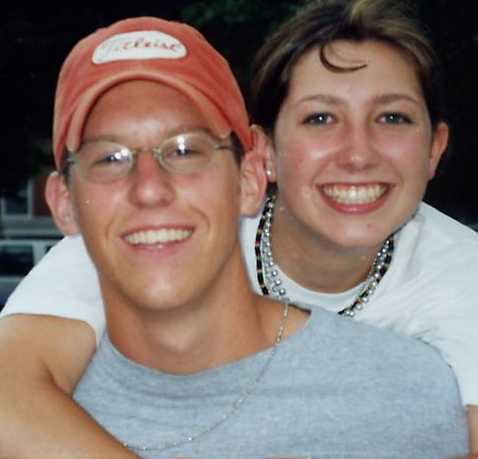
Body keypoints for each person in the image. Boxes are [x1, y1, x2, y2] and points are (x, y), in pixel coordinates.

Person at [0, 0, 476, 456]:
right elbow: (9, 390)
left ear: (434, 149)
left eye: (392, 118)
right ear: (263, 154)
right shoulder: (163, 228)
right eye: (320, 118)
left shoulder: (461, 276)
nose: (357, 154)